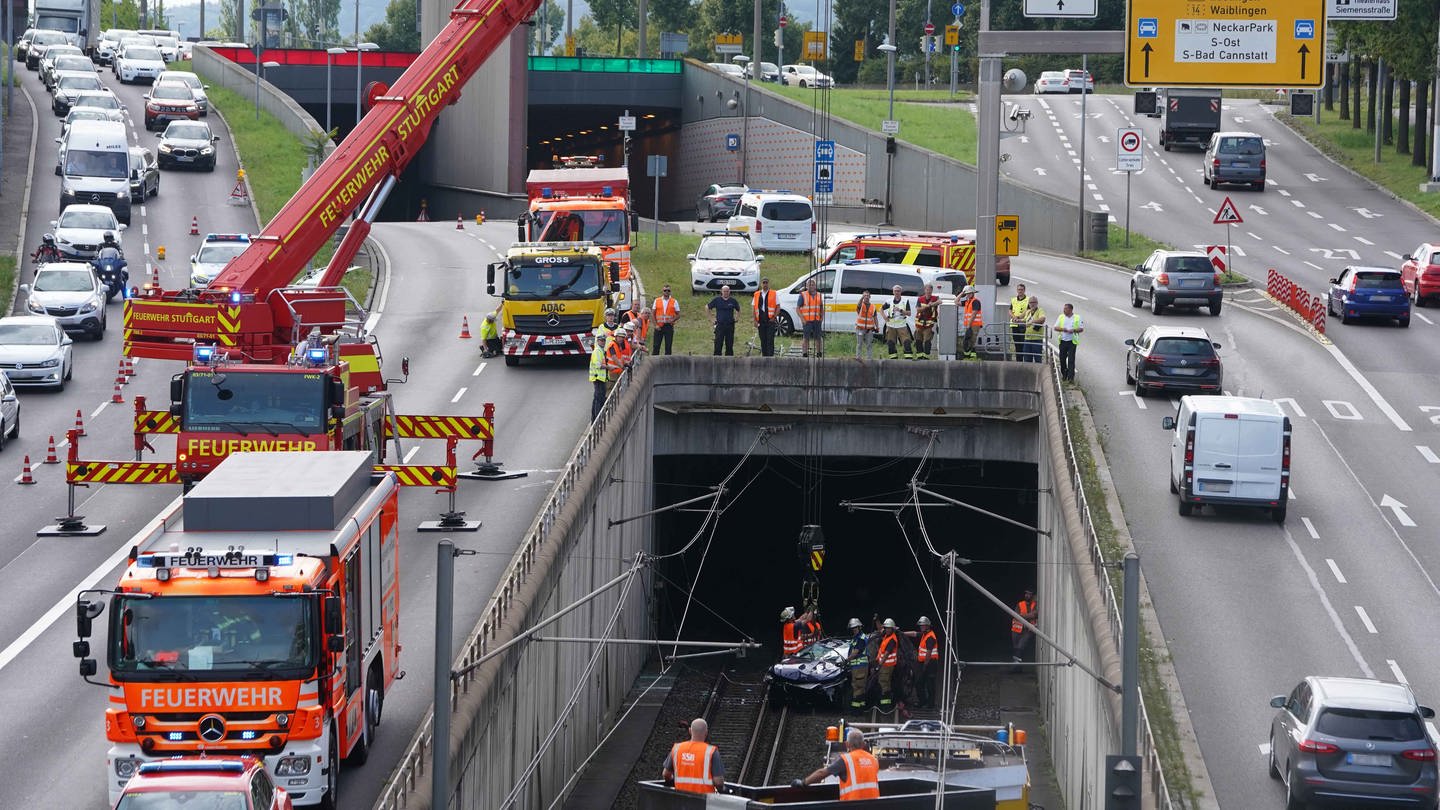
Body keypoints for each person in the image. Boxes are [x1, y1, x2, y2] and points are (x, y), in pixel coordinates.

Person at [792, 727, 881, 800]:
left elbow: (822, 773)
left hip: (853, 806)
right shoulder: (873, 760)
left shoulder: (846, 759)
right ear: (863, 744)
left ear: (847, 744)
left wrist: (804, 782)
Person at [662, 718, 726, 794]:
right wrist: (724, 790)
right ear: (706, 733)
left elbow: (666, 774)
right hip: (703, 801)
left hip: (680, 799)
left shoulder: (677, 749)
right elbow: (718, 782)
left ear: (690, 731)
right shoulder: (711, 751)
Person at [871, 618, 902, 711]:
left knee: (884, 684)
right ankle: (885, 703)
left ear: (892, 629)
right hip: (884, 665)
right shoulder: (886, 635)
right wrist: (877, 620)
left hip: (887, 666)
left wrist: (878, 666)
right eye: (886, 628)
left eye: (889, 628)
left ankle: (885, 706)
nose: (887, 630)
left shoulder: (892, 639)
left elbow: (886, 654)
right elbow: (880, 629)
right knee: (884, 683)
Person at [844, 617, 870, 712]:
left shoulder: (861, 638)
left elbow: (855, 652)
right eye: (852, 628)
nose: (853, 630)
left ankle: (856, 710)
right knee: (858, 686)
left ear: (859, 627)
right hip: (856, 667)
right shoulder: (855, 638)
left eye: (855, 628)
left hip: (861, 666)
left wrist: (846, 660)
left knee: (858, 687)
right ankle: (861, 707)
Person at [881, 286, 913, 360]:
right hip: (891, 325)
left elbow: (909, 313)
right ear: (893, 292)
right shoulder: (889, 301)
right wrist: (885, 317)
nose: (897, 292)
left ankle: (908, 360)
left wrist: (900, 310)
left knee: (906, 342)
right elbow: (881, 309)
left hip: (901, 325)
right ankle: (893, 361)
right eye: (895, 291)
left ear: (901, 292)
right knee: (891, 343)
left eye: (898, 291)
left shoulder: (905, 301)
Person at [708, 285, 740, 355]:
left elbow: (738, 309)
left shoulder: (733, 301)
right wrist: (711, 319)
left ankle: (729, 360)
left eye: (727, 291)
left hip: (730, 325)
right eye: (724, 291)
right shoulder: (717, 300)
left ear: (729, 292)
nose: (726, 293)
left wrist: (737, 318)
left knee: (729, 344)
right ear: (721, 292)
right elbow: (707, 307)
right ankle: (717, 360)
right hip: (720, 325)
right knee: (718, 343)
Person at [913, 617, 938, 709]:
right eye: (920, 626)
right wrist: (901, 633)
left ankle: (930, 704)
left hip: (930, 664)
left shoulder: (930, 637)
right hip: (924, 663)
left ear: (927, 626)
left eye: (922, 625)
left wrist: (925, 666)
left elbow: (929, 652)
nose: (921, 627)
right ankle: (922, 701)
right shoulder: (925, 634)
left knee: (930, 684)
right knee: (919, 683)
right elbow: (914, 634)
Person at [1055, 302, 1083, 382]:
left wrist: (1073, 330)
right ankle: (1064, 374)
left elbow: (1081, 329)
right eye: (1064, 309)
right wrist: (1063, 329)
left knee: (1071, 360)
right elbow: (1055, 327)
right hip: (1063, 341)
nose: (1064, 310)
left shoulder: (1077, 317)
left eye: (1066, 309)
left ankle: (1071, 378)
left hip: (1072, 342)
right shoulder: (1061, 317)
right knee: (1062, 359)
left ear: (1071, 310)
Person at [1011, 588, 1038, 672]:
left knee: (1020, 647)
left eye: (1030, 594)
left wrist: (1022, 616)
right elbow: (1016, 615)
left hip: (1028, 631)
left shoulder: (1035, 605)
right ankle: (1018, 667)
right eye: (1026, 594)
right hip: (1017, 629)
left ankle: (1017, 667)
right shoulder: (1020, 604)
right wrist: (1028, 616)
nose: (1028, 595)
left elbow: (1034, 615)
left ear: (1032, 596)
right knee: (1017, 649)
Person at [797, 277, 825, 357]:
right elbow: (798, 309)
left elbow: (821, 306)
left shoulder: (819, 295)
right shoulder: (803, 295)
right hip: (807, 321)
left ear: (815, 286)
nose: (811, 286)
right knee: (806, 338)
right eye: (809, 285)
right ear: (806, 286)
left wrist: (822, 317)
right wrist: (802, 319)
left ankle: (819, 353)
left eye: (813, 285)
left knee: (818, 338)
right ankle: (805, 354)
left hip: (817, 320)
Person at [912, 282, 940, 360]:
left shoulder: (935, 298)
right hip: (919, 324)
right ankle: (919, 357)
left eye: (930, 290)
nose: (928, 291)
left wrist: (932, 304)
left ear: (932, 290)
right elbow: (918, 309)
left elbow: (939, 302)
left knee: (927, 342)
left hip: (928, 325)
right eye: (927, 290)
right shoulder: (920, 299)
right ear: (924, 290)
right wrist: (927, 306)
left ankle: (926, 358)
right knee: (918, 341)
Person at [752, 277, 779, 357]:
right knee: (763, 340)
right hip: (760, 321)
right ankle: (764, 357)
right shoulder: (756, 294)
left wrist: (774, 317)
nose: (765, 284)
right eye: (763, 283)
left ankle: (770, 357)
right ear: (761, 284)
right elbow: (754, 308)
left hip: (770, 320)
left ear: (768, 284)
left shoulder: (774, 293)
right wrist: (755, 320)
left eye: (766, 283)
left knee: (770, 340)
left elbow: (778, 306)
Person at [588, 326, 610, 420]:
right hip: (598, 378)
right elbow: (598, 365)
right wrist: (609, 367)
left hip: (601, 378)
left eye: (604, 340)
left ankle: (595, 419)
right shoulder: (597, 351)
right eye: (601, 340)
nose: (603, 342)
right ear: (598, 341)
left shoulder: (601, 351)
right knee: (599, 400)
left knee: (597, 399)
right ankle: (598, 419)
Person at [652, 285, 679, 355]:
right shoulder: (657, 300)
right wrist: (655, 325)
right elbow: (653, 314)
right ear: (662, 291)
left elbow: (678, 314)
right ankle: (655, 362)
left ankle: (668, 363)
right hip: (659, 326)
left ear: (670, 292)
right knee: (656, 345)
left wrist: (672, 320)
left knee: (668, 346)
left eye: (668, 290)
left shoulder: (674, 301)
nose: (666, 292)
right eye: (665, 290)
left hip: (668, 326)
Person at [960, 285, 983, 359]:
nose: (968, 295)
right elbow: (956, 301)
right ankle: (968, 355)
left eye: (969, 293)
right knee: (968, 340)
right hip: (969, 325)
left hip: (974, 325)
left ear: (973, 293)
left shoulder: (975, 301)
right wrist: (961, 293)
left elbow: (974, 314)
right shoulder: (967, 302)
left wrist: (969, 325)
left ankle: (972, 356)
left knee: (972, 340)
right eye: (967, 293)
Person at [854, 290, 877, 361]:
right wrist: (862, 298)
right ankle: (858, 357)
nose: (866, 297)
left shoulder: (873, 306)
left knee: (869, 345)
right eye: (865, 295)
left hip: (869, 329)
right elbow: (858, 305)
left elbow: (875, 318)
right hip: (860, 328)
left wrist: (877, 327)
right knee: (859, 344)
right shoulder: (861, 305)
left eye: (867, 295)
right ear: (863, 297)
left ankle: (869, 359)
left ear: (870, 297)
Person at [1008, 282, 1029, 361]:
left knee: (1023, 343)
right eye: (1019, 289)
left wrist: (1019, 317)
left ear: (1024, 290)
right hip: (1014, 325)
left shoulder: (1028, 300)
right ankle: (1019, 361)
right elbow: (1010, 310)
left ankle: (1025, 360)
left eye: (1021, 290)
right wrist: (1014, 317)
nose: (1020, 291)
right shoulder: (1014, 300)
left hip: (1023, 325)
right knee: (1017, 344)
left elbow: (1028, 311)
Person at [1022, 295, 1047, 363]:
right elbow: (1024, 320)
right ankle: (1028, 372)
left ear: (1037, 303)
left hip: (1037, 339)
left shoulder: (1040, 310)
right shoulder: (1028, 312)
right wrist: (1018, 320)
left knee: (1038, 359)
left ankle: (1038, 373)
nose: (1032, 304)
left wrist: (1032, 322)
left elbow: (1042, 319)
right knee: (1027, 359)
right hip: (1027, 339)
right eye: (1031, 302)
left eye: (1034, 302)